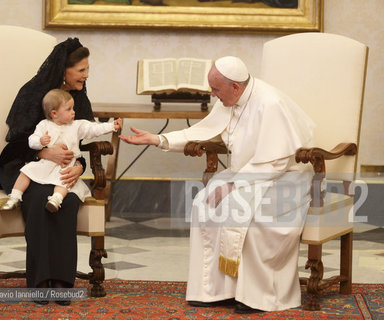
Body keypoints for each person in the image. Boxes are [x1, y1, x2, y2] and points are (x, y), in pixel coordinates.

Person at [119, 56, 315, 314]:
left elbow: (276, 162)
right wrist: (158, 139)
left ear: (235, 87)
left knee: (245, 210)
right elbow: (200, 132)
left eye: (216, 90)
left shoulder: (270, 104)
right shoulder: (231, 99)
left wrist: (233, 185)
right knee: (205, 203)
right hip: (248, 174)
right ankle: (215, 290)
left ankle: (258, 295)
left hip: (284, 178)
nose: (212, 95)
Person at [0, 38, 96, 306]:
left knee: (68, 200)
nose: (87, 76)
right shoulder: (33, 93)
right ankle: (40, 282)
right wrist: (42, 152)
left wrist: (78, 167)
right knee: (39, 200)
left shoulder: (79, 100)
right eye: (82, 70)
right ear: (64, 69)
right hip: (24, 167)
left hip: (62, 170)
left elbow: (84, 145)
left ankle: (62, 283)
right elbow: (17, 143)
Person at [1, 89, 121, 212]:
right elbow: (32, 140)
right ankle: (15, 197)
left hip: (66, 166)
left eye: (73, 108)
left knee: (64, 181)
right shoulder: (44, 125)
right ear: (54, 113)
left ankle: (56, 199)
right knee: (26, 171)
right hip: (46, 163)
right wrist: (40, 141)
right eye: (69, 109)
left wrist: (112, 126)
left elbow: (94, 129)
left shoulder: (77, 126)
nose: (73, 112)